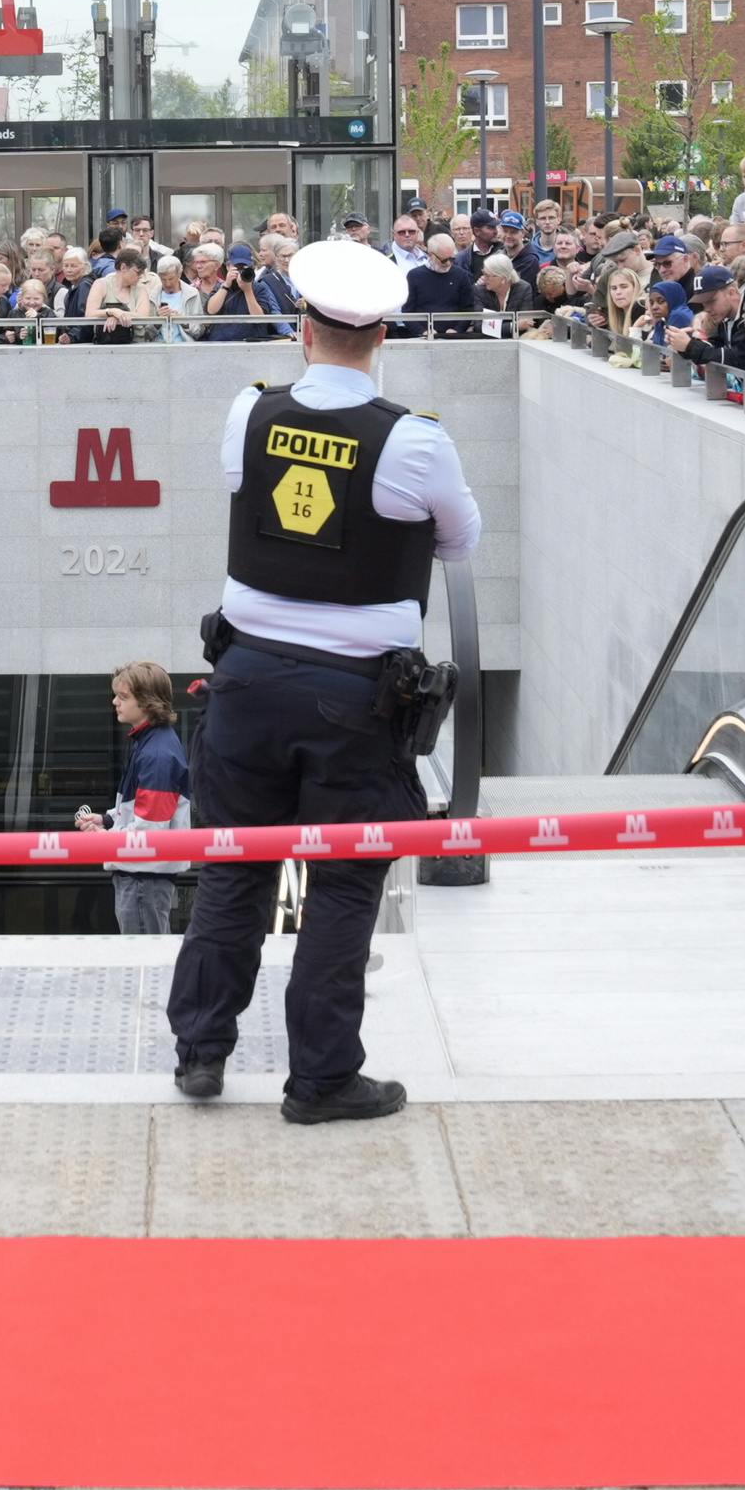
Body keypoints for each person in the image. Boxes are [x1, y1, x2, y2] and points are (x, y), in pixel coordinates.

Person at [168, 237, 479, 1124]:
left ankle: (201, 1051)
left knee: (234, 870)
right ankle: (321, 1079)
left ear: (301, 331)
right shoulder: (414, 441)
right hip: (357, 698)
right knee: (343, 883)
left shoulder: (249, 411)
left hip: (245, 681)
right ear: (381, 337)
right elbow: (460, 541)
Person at [74, 659, 194, 936]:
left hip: (142, 879)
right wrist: (106, 819)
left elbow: (148, 833)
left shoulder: (156, 754)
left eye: (123, 696)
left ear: (147, 702)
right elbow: (143, 814)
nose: (115, 701)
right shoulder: (154, 745)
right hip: (144, 878)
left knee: (144, 958)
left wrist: (102, 838)